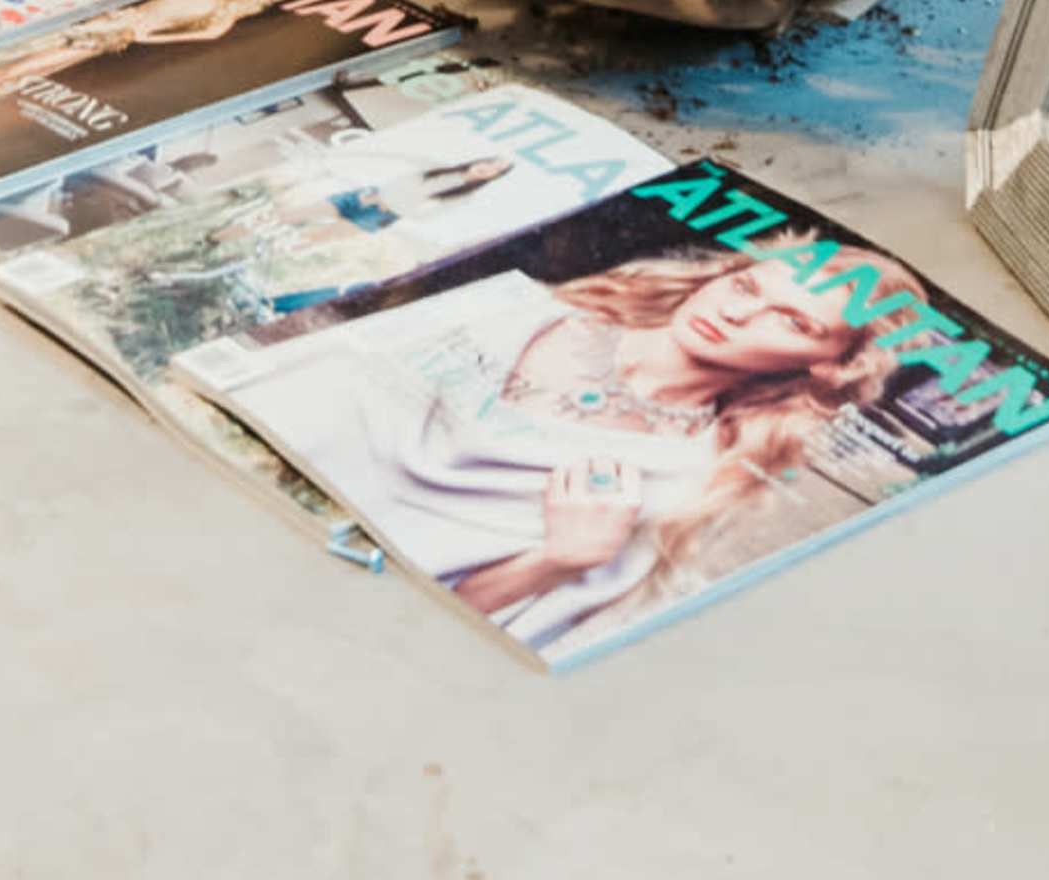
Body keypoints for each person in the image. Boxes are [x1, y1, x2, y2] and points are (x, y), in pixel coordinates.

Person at [231, 241, 900, 654]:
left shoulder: (676, 483)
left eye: (792, 320)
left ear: (827, 365)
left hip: (310, 617)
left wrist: (558, 560)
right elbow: (275, 384)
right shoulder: (527, 307)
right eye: (747, 285)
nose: (735, 311)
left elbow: (438, 634)